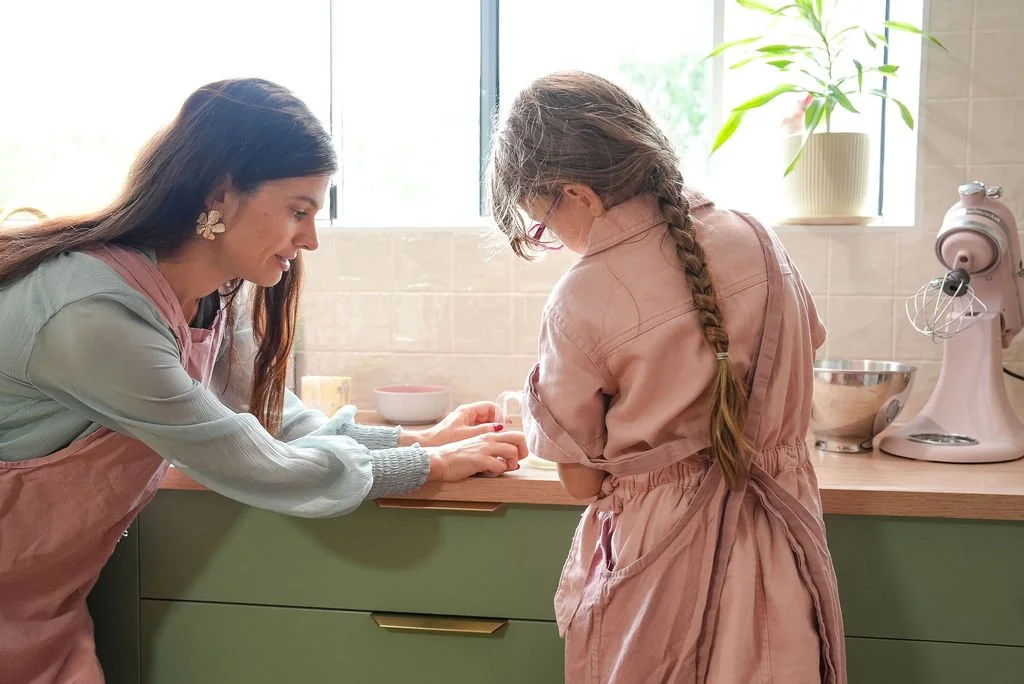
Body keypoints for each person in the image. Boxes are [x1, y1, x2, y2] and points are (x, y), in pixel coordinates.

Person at [0, 78, 526, 684]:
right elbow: (246, 458)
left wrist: (418, 442)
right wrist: (426, 467)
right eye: (299, 210)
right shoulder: (92, 316)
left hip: (43, 609)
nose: (311, 238)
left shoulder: (206, 297)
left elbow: (270, 417)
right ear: (221, 194)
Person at [488, 71, 846, 683]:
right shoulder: (757, 237)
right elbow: (806, 347)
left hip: (662, 563)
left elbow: (578, 480)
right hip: (784, 541)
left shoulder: (584, 296)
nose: (554, 242)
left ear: (578, 194)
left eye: (542, 224)